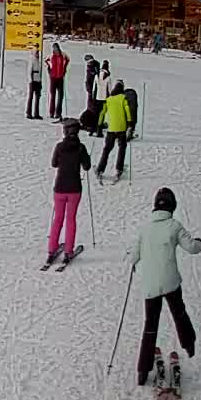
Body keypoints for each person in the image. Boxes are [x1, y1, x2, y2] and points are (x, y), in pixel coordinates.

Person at [133, 188, 201, 386]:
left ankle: (142, 370)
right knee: (179, 313)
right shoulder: (174, 225)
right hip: (171, 282)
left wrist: (134, 261)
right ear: (172, 206)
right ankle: (189, 345)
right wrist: (199, 242)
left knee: (150, 325)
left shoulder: (144, 229)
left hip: (150, 285)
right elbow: (192, 247)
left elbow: (132, 256)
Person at [47, 119, 91, 263]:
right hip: (74, 189)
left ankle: (52, 248)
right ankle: (68, 251)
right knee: (70, 219)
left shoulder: (59, 146)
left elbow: (54, 164)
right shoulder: (80, 147)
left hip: (59, 188)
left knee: (58, 219)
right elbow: (87, 166)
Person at [98, 80, 134, 180]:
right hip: (122, 128)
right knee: (122, 148)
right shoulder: (123, 98)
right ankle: (119, 168)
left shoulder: (108, 99)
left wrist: (99, 124)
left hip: (111, 129)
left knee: (107, 149)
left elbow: (102, 113)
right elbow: (127, 110)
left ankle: (100, 169)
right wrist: (130, 122)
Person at [46, 43, 69, 120]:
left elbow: (68, 60)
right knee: (53, 96)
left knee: (60, 96)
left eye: (57, 49)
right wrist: (49, 69)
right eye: (54, 49)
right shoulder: (51, 55)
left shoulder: (63, 54)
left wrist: (64, 69)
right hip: (53, 78)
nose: (56, 50)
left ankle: (58, 113)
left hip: (60, 78)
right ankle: (51, 113)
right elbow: (45, 61)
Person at [25, 47, 44, 120]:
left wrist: (40, 81)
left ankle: (36, 113)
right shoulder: (32, 61)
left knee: (37, 97)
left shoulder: (38, 61)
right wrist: (30, 81)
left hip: (38, 81)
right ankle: (28, 112)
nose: (37, 54)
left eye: (38, 53)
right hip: (33, 81)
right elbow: (29, 72)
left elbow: (40, 72)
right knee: (31, 97)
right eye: (36, 53)